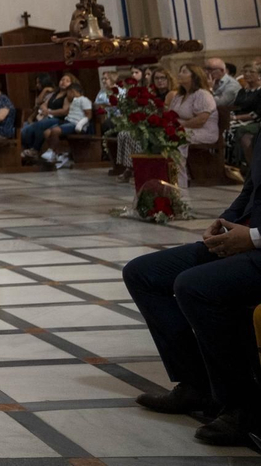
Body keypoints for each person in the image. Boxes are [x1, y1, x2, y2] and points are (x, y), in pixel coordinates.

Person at [122, 146, 261, 446]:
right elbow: (251, 189)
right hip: (246, 238)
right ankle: (198, 385)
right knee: (142, 273)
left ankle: (244, 406)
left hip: (257, 246)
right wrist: (223, 222)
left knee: (193, 286)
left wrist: (253, 238)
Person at [169, 63, 218, 188]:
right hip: (185, 129)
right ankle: (166, 177)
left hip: (203, 131)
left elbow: (201, 120)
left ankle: (180, 181)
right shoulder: (179, 96)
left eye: (184, 72)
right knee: (160, 136)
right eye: (180, 71)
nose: (180, 74)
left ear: (195, 76)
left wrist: (180, 125)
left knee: (177, 138)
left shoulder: (203, 94)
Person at [36, 82, 92, 168]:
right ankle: (58, 154)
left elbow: (89, 115)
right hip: (67, 121)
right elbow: (66, 112)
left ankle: (52, 151)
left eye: (68, 93)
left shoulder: (84, 100)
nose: (67, 95)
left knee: (55, 131)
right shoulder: (73, 101)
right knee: (46, 132)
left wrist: (80, 124)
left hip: (76, 124)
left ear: (72, 92)